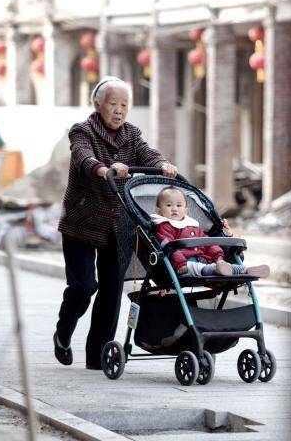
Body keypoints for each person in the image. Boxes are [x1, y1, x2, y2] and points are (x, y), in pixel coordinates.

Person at [53, 76, 178, 370]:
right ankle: (64, 330)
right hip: (81, 222)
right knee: (84, 287)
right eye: (113, 103)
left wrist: (161, 163)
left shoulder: (131, 134)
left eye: (124, 104)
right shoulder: (82, 131)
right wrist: (103, 169)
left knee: (111, 290)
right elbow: (82, 156)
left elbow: (147, 152)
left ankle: (98, 356)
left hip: (116, 224)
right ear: (99, 104)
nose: (119, 110)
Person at [151, 186, 270, 278]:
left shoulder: (192, 226)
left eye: (179, 205)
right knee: (201, 268)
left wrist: (218, 255)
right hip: (182, 265)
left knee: (216, 264)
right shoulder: (163, 227)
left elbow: (207, 242)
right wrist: (180, 263)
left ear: (186, 210)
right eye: (168, 205)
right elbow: (168, 247)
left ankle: (244, 270)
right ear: (159, 210)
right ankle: (220, 269)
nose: (174, 208)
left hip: (204, 259)